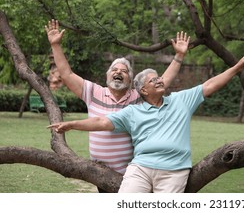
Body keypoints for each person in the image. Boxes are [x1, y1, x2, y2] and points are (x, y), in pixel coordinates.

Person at [48, 52, 244, 193]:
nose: (159, 80)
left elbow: (209, 85)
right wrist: (72, 124)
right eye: (153, 80)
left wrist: (235, 69)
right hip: (140, 168)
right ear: (143, 90)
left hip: (174, 169)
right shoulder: (133, 111)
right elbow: (101, 122)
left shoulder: (181, 100)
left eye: (159, 78)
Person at [45, 19, 190, 192]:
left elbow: (163, 80)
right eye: (114, 69)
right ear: (107, 76)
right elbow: (67, 74)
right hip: (100, 173)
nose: (118, 72)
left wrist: (179, 56)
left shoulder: (139, 97)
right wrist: (55, 45)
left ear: (131, 80)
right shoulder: (93, 92)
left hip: (133, 174)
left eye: (124, 71)